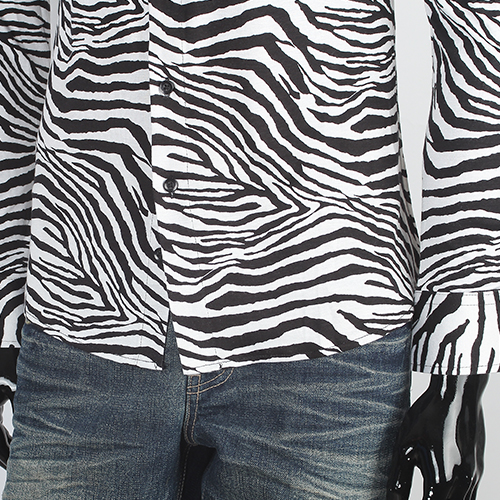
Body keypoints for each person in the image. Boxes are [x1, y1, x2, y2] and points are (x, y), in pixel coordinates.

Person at [0, 0, 499, 498]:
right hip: (86, 305)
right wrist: (5, 313)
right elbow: (17, 36)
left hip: (323, 315)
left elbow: (478, 36)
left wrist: (459, 369)